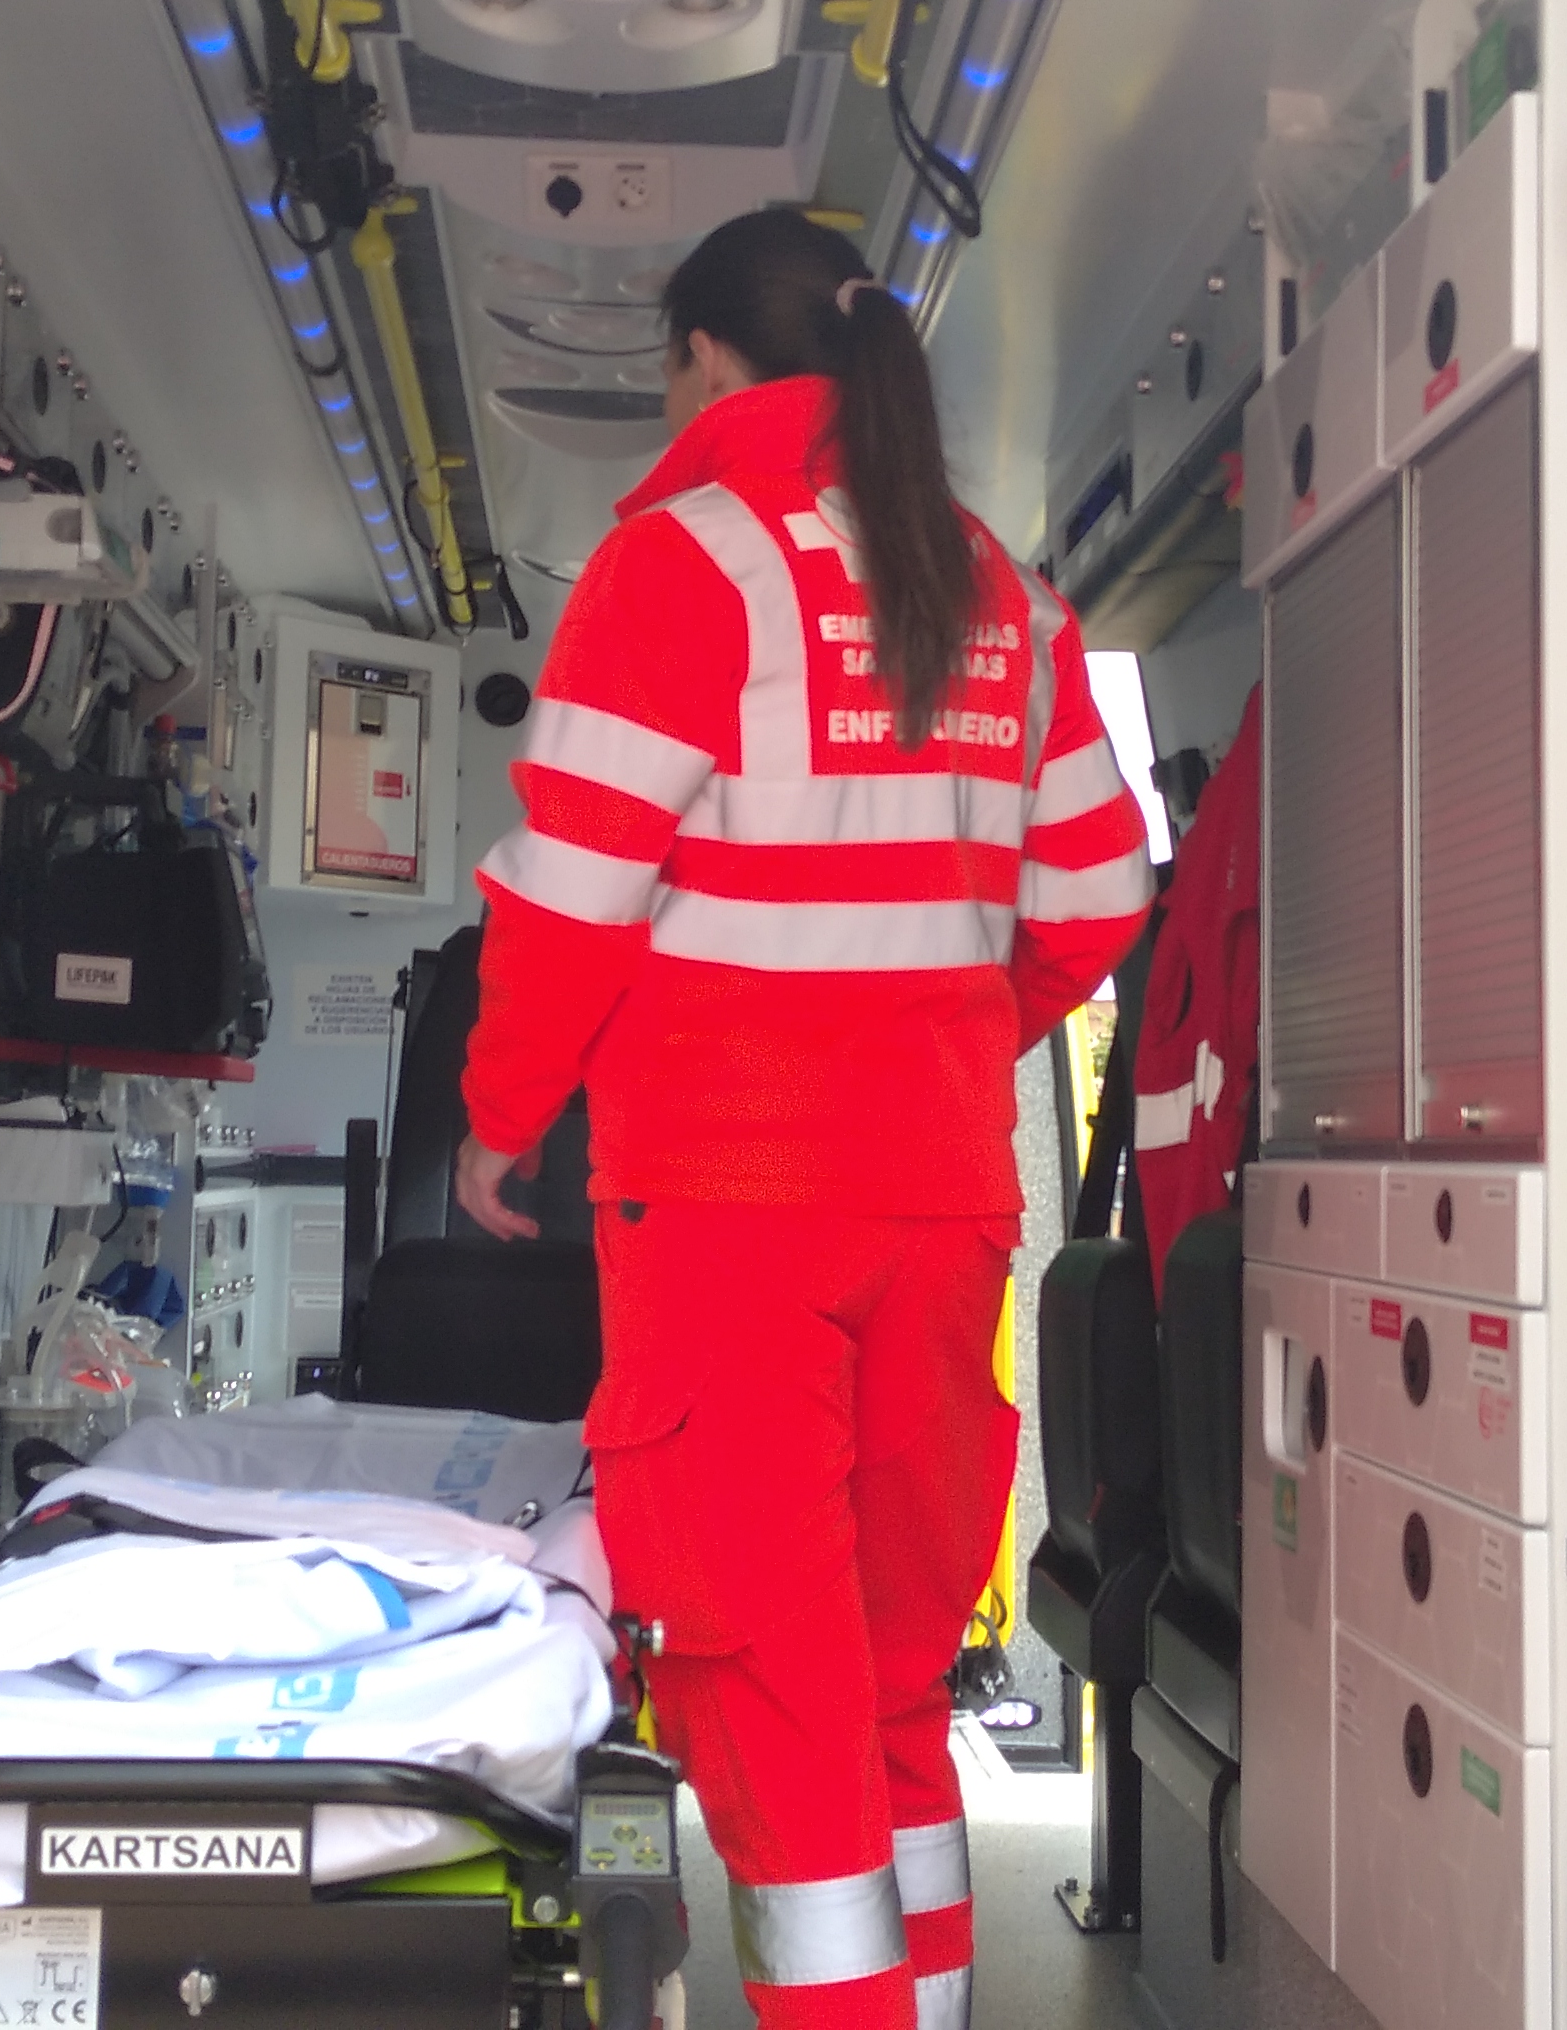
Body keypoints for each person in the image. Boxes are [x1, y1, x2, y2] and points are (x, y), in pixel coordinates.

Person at [455, 209, 1153, 2030]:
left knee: (770, 1677)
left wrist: (497, 1119)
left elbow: (569, 896)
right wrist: (934, 1043)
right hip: (939, 1197)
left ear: (706, 359)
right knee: (900, 1666)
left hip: (725, 1210)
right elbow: (1095, 894)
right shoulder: (1000, 587)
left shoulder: (688, 563)